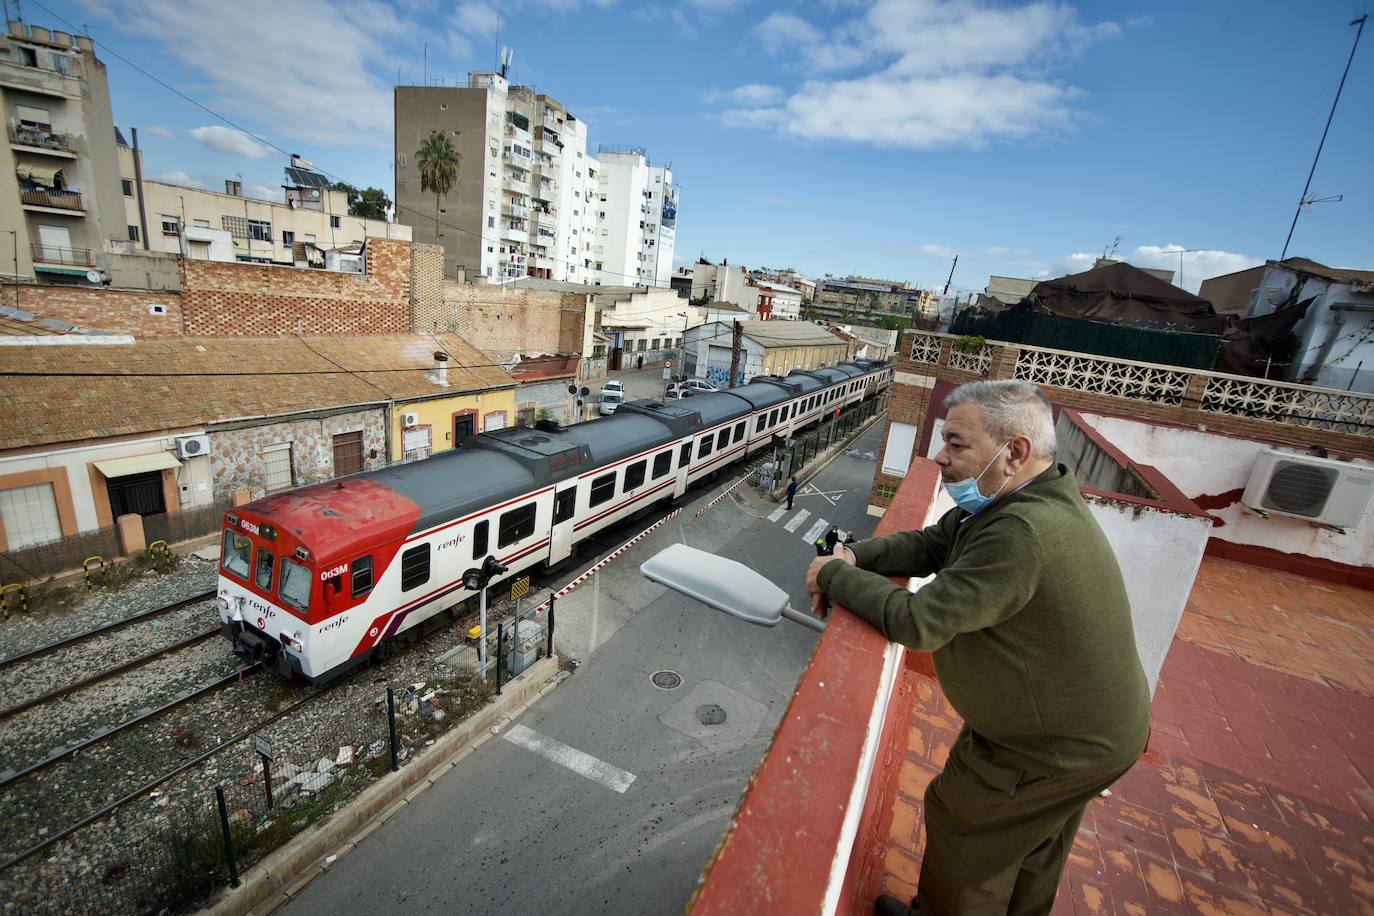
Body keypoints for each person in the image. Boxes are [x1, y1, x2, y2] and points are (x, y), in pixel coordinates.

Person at [804, 380, 1149, 916]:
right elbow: (932, 544)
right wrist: (855, 556)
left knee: (967, 832)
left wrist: (831, 575)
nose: (939, 457)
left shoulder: (1022, 532)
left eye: (956, 444)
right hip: (1083, 734)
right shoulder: (1013, 500)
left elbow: (918, 622)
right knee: (1031, 847)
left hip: (1053, 748)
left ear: (1014, 453)